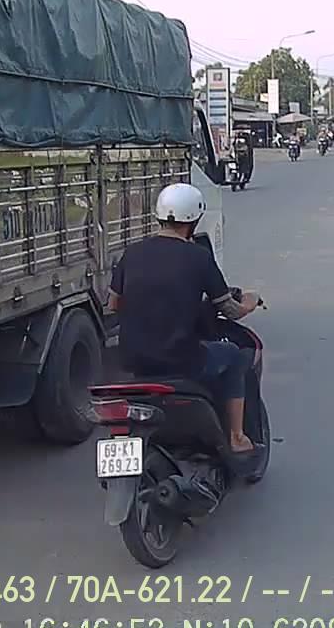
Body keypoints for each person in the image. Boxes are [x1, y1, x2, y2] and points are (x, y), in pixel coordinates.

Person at [107, 183, 263, 455]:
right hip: (182, 360)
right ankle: (237, 437)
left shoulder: (132, 253)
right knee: (235, 356)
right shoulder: (199, 257)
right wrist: (250, 301)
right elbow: (230, 310)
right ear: (194, 220)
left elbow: (113, 304)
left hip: (134, 360)